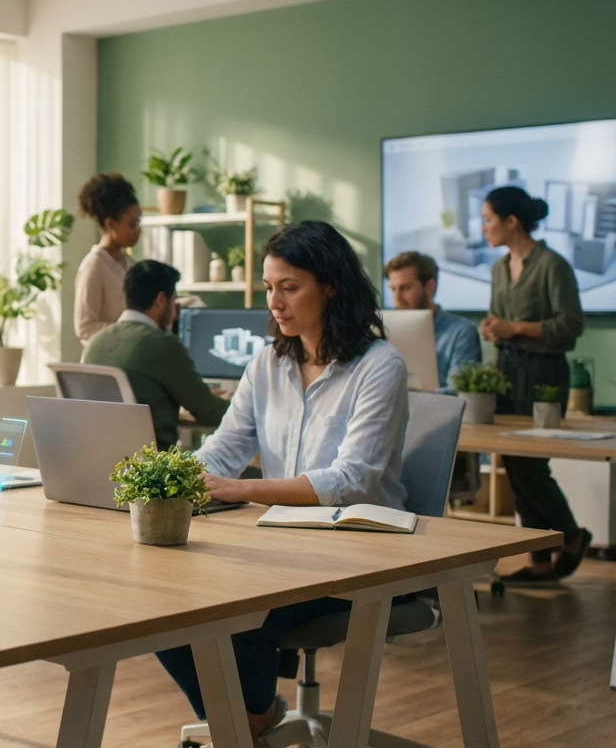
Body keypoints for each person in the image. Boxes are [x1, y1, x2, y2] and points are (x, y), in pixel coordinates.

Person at [154, 220, 409, 741]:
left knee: (241, 611)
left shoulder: (380, 366)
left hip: (360, 554)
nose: (275, 302)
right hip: (283, 547)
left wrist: (239, 489)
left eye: (290, 288)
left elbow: (350, 479)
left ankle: (244, 723)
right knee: (158, 604)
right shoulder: (267, 362)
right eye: (270, 288)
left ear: (331, 285)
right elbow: (225, 449)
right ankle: (251, 720)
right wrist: (170, 478)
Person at [479, 186, 591, 582]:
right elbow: (500, 316)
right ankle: (540, 559)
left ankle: (572, 534)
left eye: (488, 219)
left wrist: (515, 327)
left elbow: (570, 326)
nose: (484, 227)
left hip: (543, 372)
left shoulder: (552, 265)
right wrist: (495, 327)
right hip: (506, 368)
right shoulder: (498, 267)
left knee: (529, 465)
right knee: (514, 462)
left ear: (512, 222)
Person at [81, 260, 229, 448]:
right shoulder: (163, 344)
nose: (175, 315)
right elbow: (209, 413)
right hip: (154, 469)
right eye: (173, 300)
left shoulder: (97, 341)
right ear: (161, 300)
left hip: (105, 461)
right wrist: (249, 405)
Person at [385, 250, 482, 394]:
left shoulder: (461, 332)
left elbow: (457, 392)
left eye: (405, 288)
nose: (397, 298)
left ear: (430, 286)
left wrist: (406, 396)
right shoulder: (386, 330)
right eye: (393, 289)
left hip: (438, 414)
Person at [74, 172, 141, 343]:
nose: (137, 231)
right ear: (110, 224)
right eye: (132, 225)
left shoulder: (129, 264)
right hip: (103, 361)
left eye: (138, 223)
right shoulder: (94, 266)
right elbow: (85, 327)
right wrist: (130, 329)